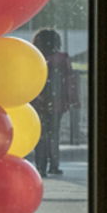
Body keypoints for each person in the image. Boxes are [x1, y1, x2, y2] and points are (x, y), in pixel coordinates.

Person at [30, 27, 76, 177]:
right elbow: (70, 81)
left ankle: (40, 167)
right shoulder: (62, 58)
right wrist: (72, 100)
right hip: (57, 102)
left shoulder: (35, 57)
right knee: (54, 133)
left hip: (38, 101)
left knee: (40, 134)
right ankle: (54, 166)